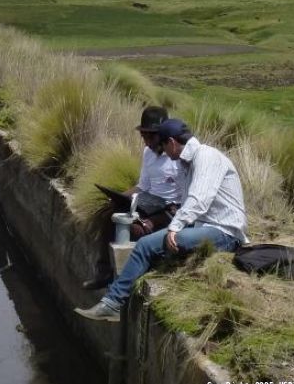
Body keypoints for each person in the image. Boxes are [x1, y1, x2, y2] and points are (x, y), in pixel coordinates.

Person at [75, 118, 248, 322]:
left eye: (165, 147)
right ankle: (114, 297)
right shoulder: (188, 162)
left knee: (145, 246)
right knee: (148, 243)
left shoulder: (206, 157)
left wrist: (174, 227)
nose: (164, 153)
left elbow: (198, 200)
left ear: (172, 142)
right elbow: (188, 203)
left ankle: (112, 303)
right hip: (206, 224)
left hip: (224, 231)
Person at [81, 106, 182, 290]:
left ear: (163, 134)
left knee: (134, 229)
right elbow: (143, 186)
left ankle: (125, 281)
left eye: (150, 137)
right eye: (144, 136)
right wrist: (120, 197)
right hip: (148, 202)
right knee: (109, 215)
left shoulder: (177, 157)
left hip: (169, 210)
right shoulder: (148, 153)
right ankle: (104, 273)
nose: (146, 142)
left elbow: (187, 197)